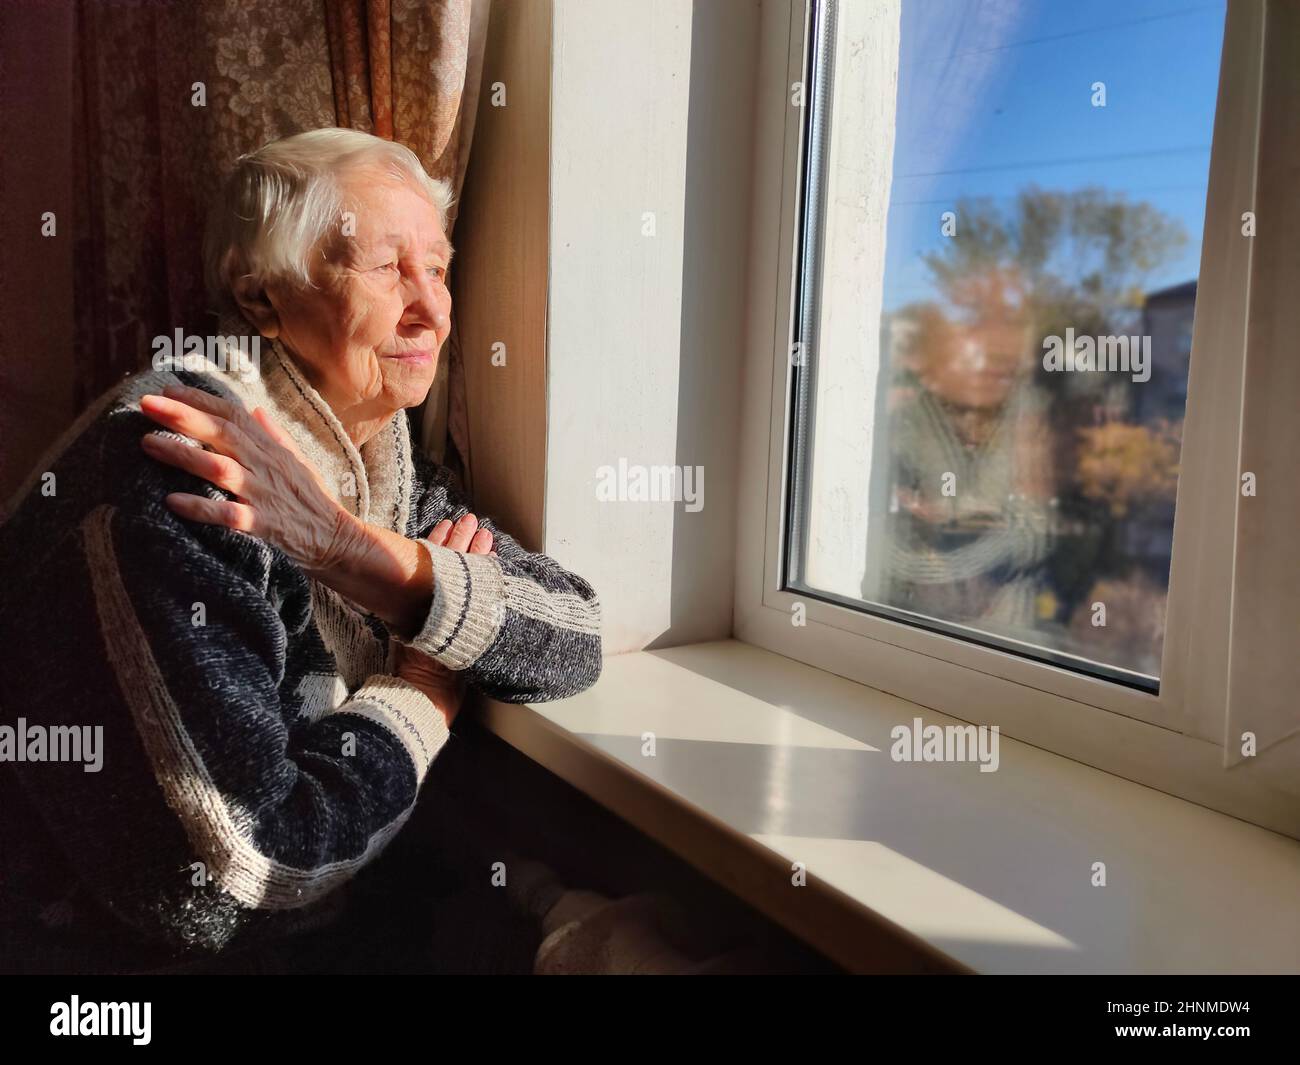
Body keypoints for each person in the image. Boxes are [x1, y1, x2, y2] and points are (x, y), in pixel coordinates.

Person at [0, 128, 602, 973]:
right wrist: (420, 695)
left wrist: (354, 553)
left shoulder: (379, 465)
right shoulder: (180, 468)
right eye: (387, 268)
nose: (432, 309)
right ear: (262, 299)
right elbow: (228, 880)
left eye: (437, 268)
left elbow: (577, 636)